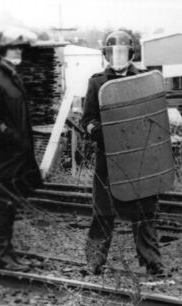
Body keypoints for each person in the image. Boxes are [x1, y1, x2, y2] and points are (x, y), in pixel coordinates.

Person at [81, 30, 166, 276]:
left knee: (145, 212)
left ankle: (152, 263)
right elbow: (88, 119)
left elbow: (153, 116)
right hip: (107, 160)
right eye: (111, 52)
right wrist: (99, 131)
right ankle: (95, 262)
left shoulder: (144, 80)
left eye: (121, 52)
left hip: (139, 159)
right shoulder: (97, 82)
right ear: (106, 55)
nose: (116, 57)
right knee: (103, 212)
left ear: (130, 53)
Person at [0, 28, 42, 271]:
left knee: (9, 207)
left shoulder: (11, 78)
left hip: (12, 160)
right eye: (13, 48)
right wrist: (13, 139)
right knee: (0, 208)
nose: (18, 52)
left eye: (19, 48)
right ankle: (0, 257)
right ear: (0, 52)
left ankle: (6, 252)